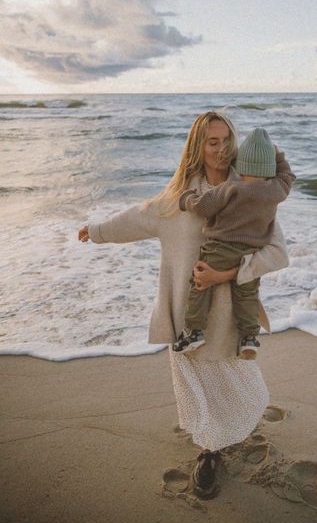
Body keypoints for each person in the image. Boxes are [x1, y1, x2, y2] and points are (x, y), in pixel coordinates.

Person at [77, 111, 290, 499]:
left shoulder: (250, 193)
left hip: (228, 314)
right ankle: (209, 453)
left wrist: (227, 275)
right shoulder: (178, 198)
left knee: (234, 383)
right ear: (197, 146)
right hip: (185, 313)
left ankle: (222, 434)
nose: (222, 149)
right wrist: (97, 231)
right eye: (213, 142)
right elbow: (135, 219)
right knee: (195, 386)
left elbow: (277, 252)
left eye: (227, 140)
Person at [174, 128, 295, 359]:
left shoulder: (230, 188)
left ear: (240, 164)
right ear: (268, 167)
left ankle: (194, 331)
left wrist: (186, 199)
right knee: (247, 295)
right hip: (250, 252)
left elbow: (203, 207)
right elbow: (288, 175)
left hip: (220, 248)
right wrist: (277, 154)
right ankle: (249, 338)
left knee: (199, 285)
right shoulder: (277, 190)